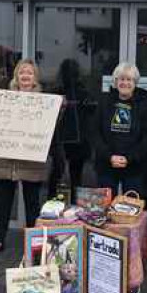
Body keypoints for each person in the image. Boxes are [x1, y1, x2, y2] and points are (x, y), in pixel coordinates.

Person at [0, 59, 51, 257]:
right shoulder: (5, 99)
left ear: (35, 78)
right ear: (16, 76)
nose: (25, 76)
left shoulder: (43, 101)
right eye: (22, 72)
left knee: (32, 203)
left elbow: (49, 126)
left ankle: (34, 244)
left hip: (31, 159)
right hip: (7, 159)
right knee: (3, 203)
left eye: (29, 73)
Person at [93, 62, 147, 197]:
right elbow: (95, 132)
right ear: (115, 81)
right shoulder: (104, 102)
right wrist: (109, 156)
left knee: (131, 209)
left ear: (135, 82)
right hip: (106, 165)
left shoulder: (144, 104)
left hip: (134, 166)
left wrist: (129, 158)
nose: (125, 83)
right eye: (121, 79)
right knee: (105, 208)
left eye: (129, 79)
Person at [48, 58, 93, 204]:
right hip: (64, 140)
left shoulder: (57, 91)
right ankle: (71, 207)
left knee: (58, 177)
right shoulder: (83, 92)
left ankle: (55, 205)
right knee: (73, 178)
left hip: (64, 140)